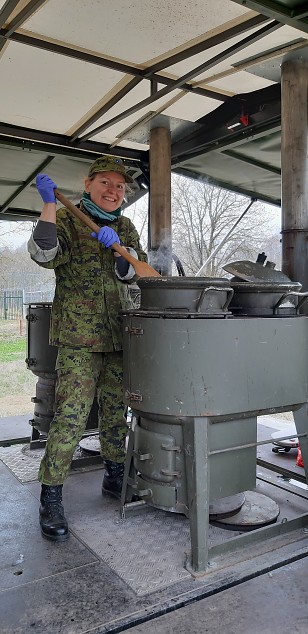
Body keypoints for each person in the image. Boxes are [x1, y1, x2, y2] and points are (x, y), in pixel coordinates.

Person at [28, 156, 147, 542]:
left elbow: (138, 270)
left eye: (120, 186)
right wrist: (49, 204)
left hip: (119, 335)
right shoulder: (66, 218)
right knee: (71, 418)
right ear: (89, 183)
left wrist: (120, 254)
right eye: (106, 183)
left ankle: (115, 478)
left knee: (117, 413)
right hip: (79, 339)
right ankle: (51, 496)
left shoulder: (126, 225)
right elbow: (44, 254)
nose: (114, 191)